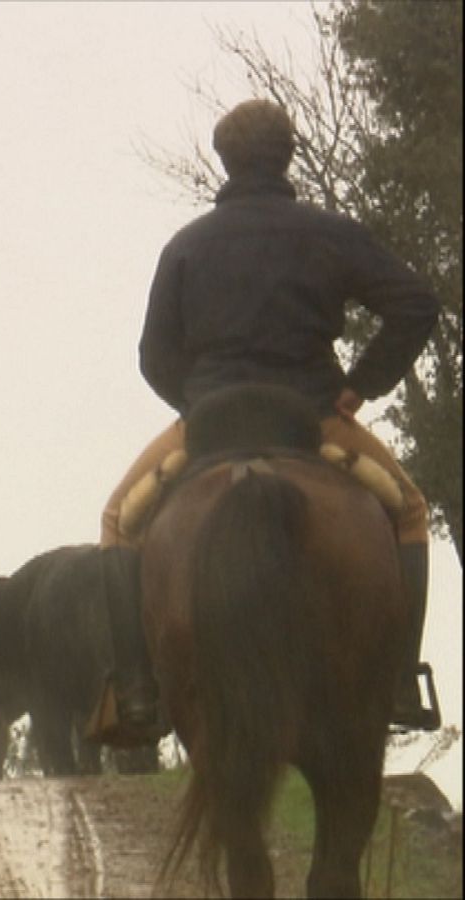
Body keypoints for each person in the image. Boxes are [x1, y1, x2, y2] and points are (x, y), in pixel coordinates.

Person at [96, 99, 441, 739]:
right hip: (313, 414)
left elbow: (152, 356)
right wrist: (361, 385)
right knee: (409, 511)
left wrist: (196, 405)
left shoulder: (186, 247)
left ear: (223, 161)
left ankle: (138, 692)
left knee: (119, 521)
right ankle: (398, 681)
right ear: (289, 155)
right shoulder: (331, 233)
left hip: (211, 418)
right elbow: (416, 304)